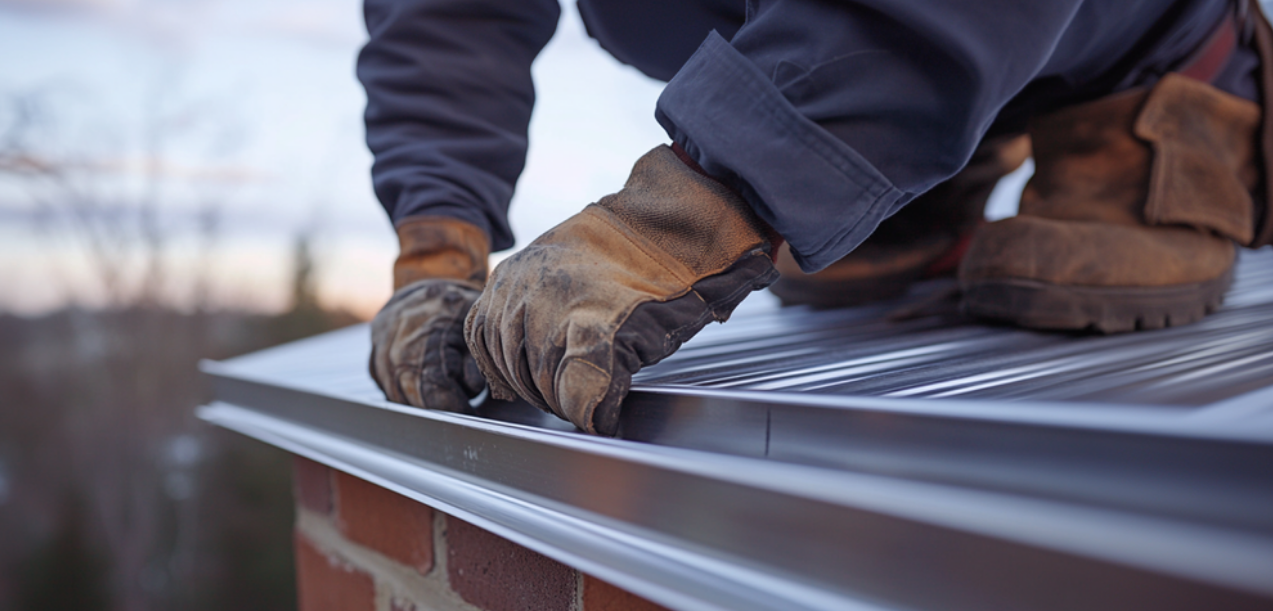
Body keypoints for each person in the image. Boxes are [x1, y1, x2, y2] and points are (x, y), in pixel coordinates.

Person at [363, 0, 1272, 435]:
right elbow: (448, 17)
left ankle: (1196, 97)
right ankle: (921, 149)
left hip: (1129, 58)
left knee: (1044, 283)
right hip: (867, 44)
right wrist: (438, 241)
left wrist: (688, 212)